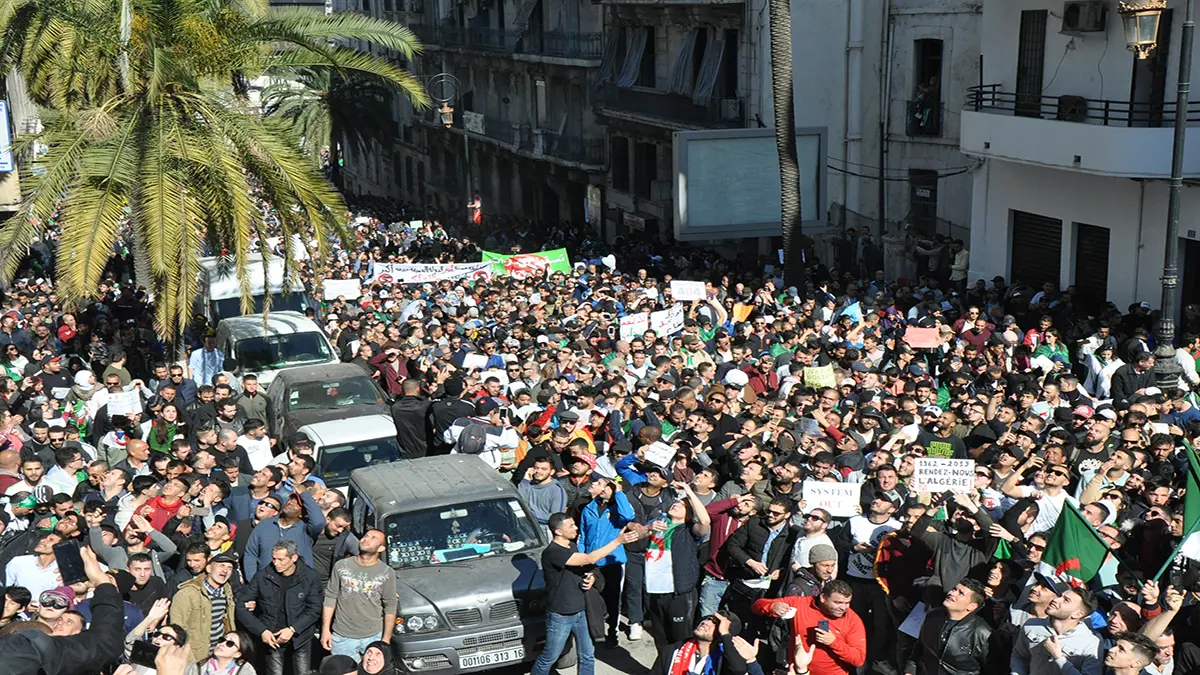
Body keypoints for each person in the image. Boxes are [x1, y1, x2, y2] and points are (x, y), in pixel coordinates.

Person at [530, 512, 638, 675]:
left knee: (587, 655)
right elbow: (589, 559)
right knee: (549, 657)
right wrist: (617, 541)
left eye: (575, 524)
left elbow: (588, 568)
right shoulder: (553, 552)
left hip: (581, 609)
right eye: (571, 526)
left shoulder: (571, 546)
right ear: (558, 531)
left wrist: (592, 577)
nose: (576, 528)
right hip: (561, 615)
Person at [236, 540, 323, 675]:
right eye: (274, 559)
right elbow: (241, 606)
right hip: (272, 636)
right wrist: (262, 631)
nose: (276, 563)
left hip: (300, 636)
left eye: (281, 560)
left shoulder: (310, 576)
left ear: (293, 558)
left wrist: (293, 629)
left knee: (302, 671)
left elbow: (314, 609)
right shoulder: (263, 576)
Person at [751, 580, 867, 675]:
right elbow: (757, 605)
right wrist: (772, 606)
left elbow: (858, 659)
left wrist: (834, 642)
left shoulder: (853, 621)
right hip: (797, 671)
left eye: (847, 603)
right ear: (823, 597)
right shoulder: (801, 604)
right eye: (838, 602)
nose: (843, 607)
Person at [320, 529, 396, 659]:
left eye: (373, 538)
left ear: (381, 548)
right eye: (366, 536)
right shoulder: (341, 566)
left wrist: (386, 639)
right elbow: (330, 598)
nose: (366, 539)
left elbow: (390, 607)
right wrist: (325, 630)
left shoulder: (387, 572)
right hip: (342, 636)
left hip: (373, 635)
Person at [905, 580, 992, 675]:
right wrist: (910, 670)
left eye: (961, 593)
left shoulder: (982, 632)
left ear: (972, 606)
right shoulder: (933, 616)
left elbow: (994, 668)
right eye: (954, 589)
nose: (951, 593)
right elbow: (920, 647)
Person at [1010, 587, 1102, 675]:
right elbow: (1019, 656)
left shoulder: (1091, 643)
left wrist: (1058, 658)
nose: (1056, 600)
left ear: (1077, 614)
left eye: (1066, 600)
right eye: (1059, 596)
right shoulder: (1031, 625)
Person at [170, 552, 238, 664]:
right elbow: (177, 629)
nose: (225, 571)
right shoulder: (187, 593)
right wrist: (189, 659)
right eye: (221, 566)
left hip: (219, 656)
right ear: (209, 568)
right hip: (196, 657)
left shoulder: (227, 591)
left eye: (229, 568)